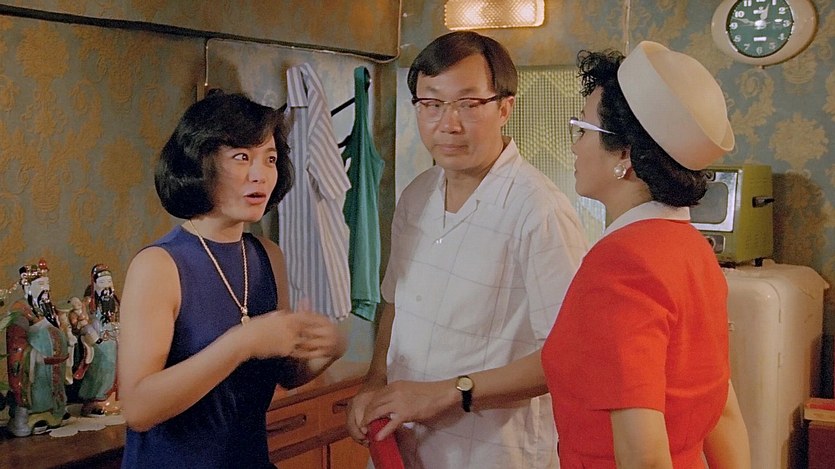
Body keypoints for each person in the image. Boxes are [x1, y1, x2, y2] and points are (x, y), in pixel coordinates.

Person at [347, 31, 588, 468]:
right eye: (432, 104)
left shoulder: (539, 210)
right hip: (403, 446)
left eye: (468, 104)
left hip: (492, 454)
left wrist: (449, 392)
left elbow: (571, 357)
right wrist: (374, 381)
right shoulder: (417, 194)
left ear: (505, 108)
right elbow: (395, 304)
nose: (448, 124)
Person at [541, 41, 750, 468]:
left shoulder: (621, 264)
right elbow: (724, 412)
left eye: (582, 129)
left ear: (625, 154)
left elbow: (645, 457)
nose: (575, 146)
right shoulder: (691, 248)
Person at [118, 92, 346, 468]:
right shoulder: (159, 265)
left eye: (269, 159)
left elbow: (285, 373)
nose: (261, 174)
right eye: (242, 157)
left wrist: (329, 347)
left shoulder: (267, 256)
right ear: (200, 163)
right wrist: (243, 343)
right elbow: (139, 408)